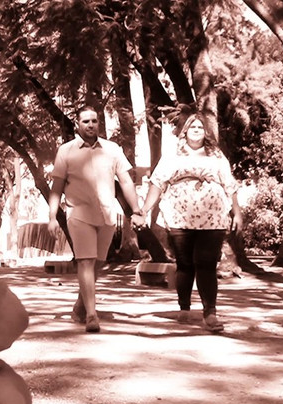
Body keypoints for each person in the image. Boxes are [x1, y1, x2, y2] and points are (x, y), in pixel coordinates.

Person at [132, 113, 243, 332]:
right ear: (185, 130)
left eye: (201, 127)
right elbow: (157, 183)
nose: (197, 129)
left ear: (206, 132)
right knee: (185, 263)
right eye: (193, 126)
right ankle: (184, 306)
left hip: (213, 216)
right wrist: (144, 210)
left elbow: (229, 184)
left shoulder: (216, 155)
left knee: (206, 263)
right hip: (179, 215)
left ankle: (210, 313)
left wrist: (237, 213)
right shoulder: (172, 154)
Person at [48, 105, 142, 333]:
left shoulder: (112, 149)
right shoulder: (66, 151)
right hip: (78, 213)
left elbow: (126, 182)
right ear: (77, 124)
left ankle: (81, 303)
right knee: (86, 261)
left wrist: (137, 209)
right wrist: (52, 216)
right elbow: (57, 186)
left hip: (107, 214)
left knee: (98, 262)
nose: (91, 125)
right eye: (86, 121)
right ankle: (92, 314)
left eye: (94, 121)